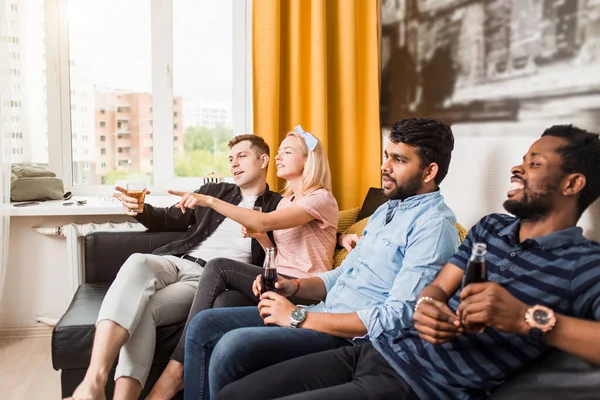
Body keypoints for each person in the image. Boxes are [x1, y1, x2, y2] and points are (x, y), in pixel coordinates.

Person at [218, 124, 600, 400]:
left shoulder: (584, 264)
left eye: (533, 164)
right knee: (237, 392)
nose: (517, 169)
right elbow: (435, 287)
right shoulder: (491, 229)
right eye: (521, 160)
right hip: (376, 350)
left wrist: (527, 319)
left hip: (418, 383)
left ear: (572, 184)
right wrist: (431, 306)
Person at [182, 117, 461, 400]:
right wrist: (295, 287)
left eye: (398, 160)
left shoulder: (434, 227)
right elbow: (340, 275)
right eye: (386, 156)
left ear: (429, 171)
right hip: (323, 311)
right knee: (204, 324)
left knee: (232, 346)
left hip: (349, 336)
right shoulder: (386, 212)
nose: (384, 166)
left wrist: (296, 316)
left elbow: (396, 318)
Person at [66, 134, 282, 400]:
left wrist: (341, 237)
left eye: (242, 156)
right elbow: (167, 219)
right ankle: (94, 381)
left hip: (210, 280)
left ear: (263, 160)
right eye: (230, 158)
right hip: (177, 261)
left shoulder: (277, 206)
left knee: (146, 309)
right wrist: (141, 209)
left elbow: (289, 250)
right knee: (137, 260)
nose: (234, 163)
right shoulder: (213, 192)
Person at [146, 126, 339, 399]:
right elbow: (281, 247)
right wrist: (262, 238)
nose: (279, 157)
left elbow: (265, 221)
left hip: (305, 290)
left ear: (308, 160)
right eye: (279, 151)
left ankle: (175, 371)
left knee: (219, 266)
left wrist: (211, 200)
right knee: (224, 304)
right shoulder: (287, 202)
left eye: (287, 152)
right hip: (277, 280)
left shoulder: (320, 198)